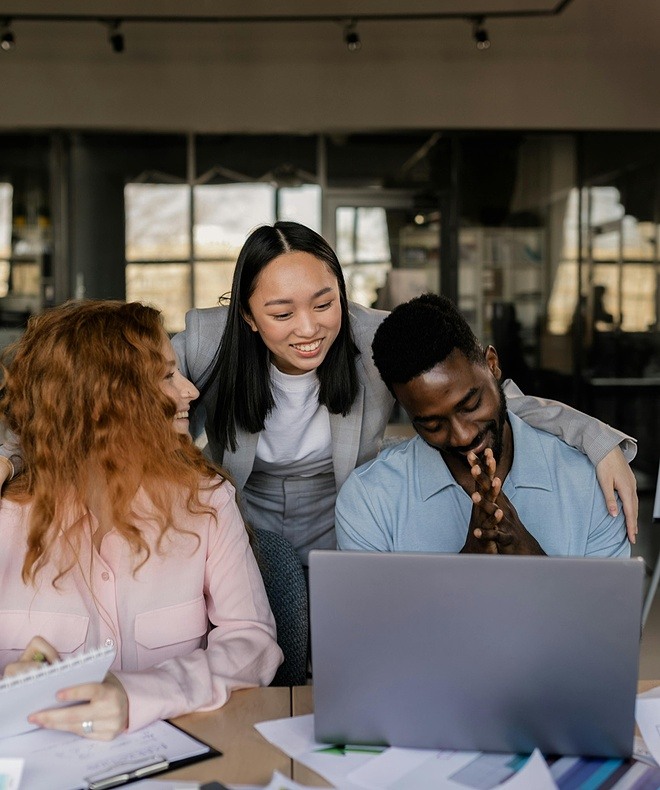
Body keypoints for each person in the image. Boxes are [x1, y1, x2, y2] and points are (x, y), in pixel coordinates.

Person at [0, 222, 637, 561]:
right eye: (281, 313)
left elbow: (482, 395)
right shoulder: (202, 343)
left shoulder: (374, 339)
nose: (309, 330)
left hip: (340, 520)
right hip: (242, 522)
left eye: (324, 302)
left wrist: (597, 438)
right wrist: (11, 454)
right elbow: (86, 388)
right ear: (246, 315)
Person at [0, 300, 282, 741]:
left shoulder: (205, 501)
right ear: (105, 402)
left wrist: (141, 695)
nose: (190, 391)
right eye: (167, 376)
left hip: (184, 753)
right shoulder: (7, 517)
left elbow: (253, 642)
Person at [336, 293, 629, 558]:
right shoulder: (369, 500)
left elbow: (609, 616)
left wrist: (532, 559)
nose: (463, 436)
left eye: (471, 405)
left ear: (492, 364)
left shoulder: (590, 484)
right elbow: (372, 618)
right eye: (432, 424)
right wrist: (469, 565)